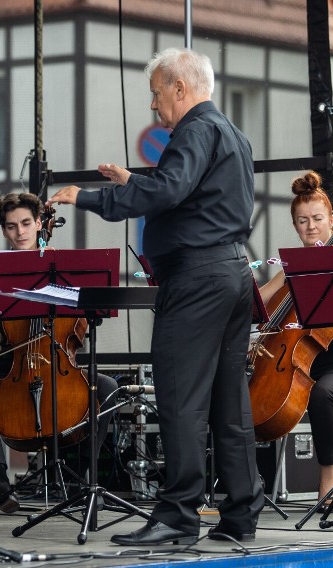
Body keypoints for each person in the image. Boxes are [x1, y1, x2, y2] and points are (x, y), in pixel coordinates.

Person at [48, 47, 265, 545]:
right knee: (229, 405)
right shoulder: (232, 134)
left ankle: (176, 517)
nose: (153, 105)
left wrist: (88, 196)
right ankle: (240, 515)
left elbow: (168, 193)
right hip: (232, 274)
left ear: (180, 89)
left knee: (180, 399)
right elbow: (188, 195)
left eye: (156, 92)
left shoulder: (193, 130)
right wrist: (135, 182)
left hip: (198, 280)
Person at [0, 192, 118, 514]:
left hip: (60, 367)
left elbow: (87, 318)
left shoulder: (66, 269)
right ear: (3, 230)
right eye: (11, 227)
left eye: (26, 223)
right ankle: (0, 484)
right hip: (13, 368)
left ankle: (83, 481)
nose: (20, 232)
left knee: (107, 390)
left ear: (40, 223)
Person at [257, 171, 333, 511]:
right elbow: (261, 302)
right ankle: (246, 483)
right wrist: (279, 278)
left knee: (321, 391)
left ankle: (327, 477)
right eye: (302, 221)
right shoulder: (294, 267)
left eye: (317, 219)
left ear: (331, 221)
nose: (311, 227)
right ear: (295, 227)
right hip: (304, 362)